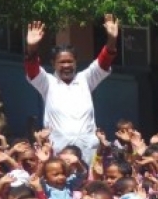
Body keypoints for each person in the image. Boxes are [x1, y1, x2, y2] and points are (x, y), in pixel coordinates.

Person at [25, 15, 120, 167]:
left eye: (70, 61)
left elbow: (104, 62)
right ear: (53, 64)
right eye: (61, 62)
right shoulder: (48, 83)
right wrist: (31, 48)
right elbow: (32, 70)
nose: (66, 65)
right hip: (59, 151)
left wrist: (112, 38)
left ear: (76, 62)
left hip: (88, 150)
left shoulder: (86, 79)